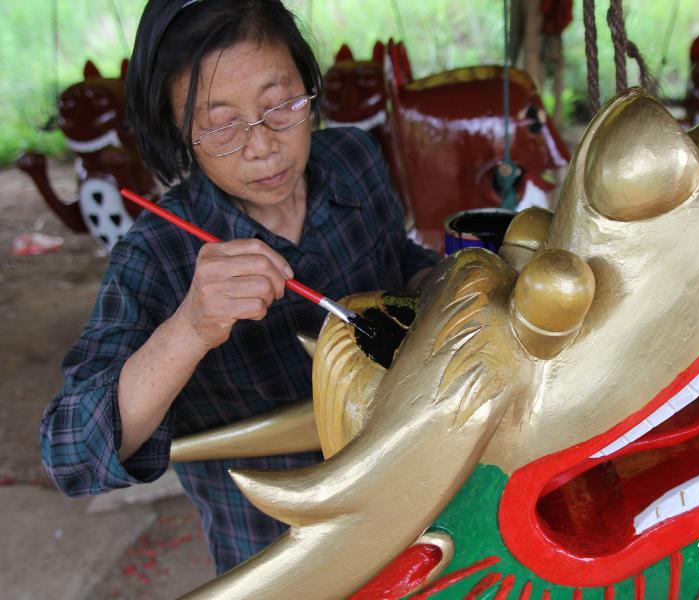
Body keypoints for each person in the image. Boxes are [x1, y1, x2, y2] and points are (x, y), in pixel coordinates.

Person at [39, 0, 438, 575]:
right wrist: (190, 328)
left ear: (309, 84)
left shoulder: (353, 158)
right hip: (282, 556)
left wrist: (439, 283)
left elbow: (396, 256)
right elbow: (67, 454)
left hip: (413, 501)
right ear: (180, 131)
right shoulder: (157, 256)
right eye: (220, 124)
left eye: (279, 104)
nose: (261, 145)